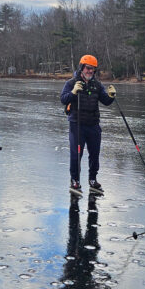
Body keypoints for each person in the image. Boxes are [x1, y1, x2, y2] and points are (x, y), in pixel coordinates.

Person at [60, 54, 116, 195]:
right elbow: (63, 99)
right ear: (82, 68)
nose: (90, 71)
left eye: (93, 69)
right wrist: (73, 92)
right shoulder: (71, 83)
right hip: (77, 124)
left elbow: (105, 101)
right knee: (76, 154)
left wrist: (111, 96)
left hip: (93, 124)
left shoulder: (97, 85)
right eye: (88, 68)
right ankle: (75, 180)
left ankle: (92, 179)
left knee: (95, 154)